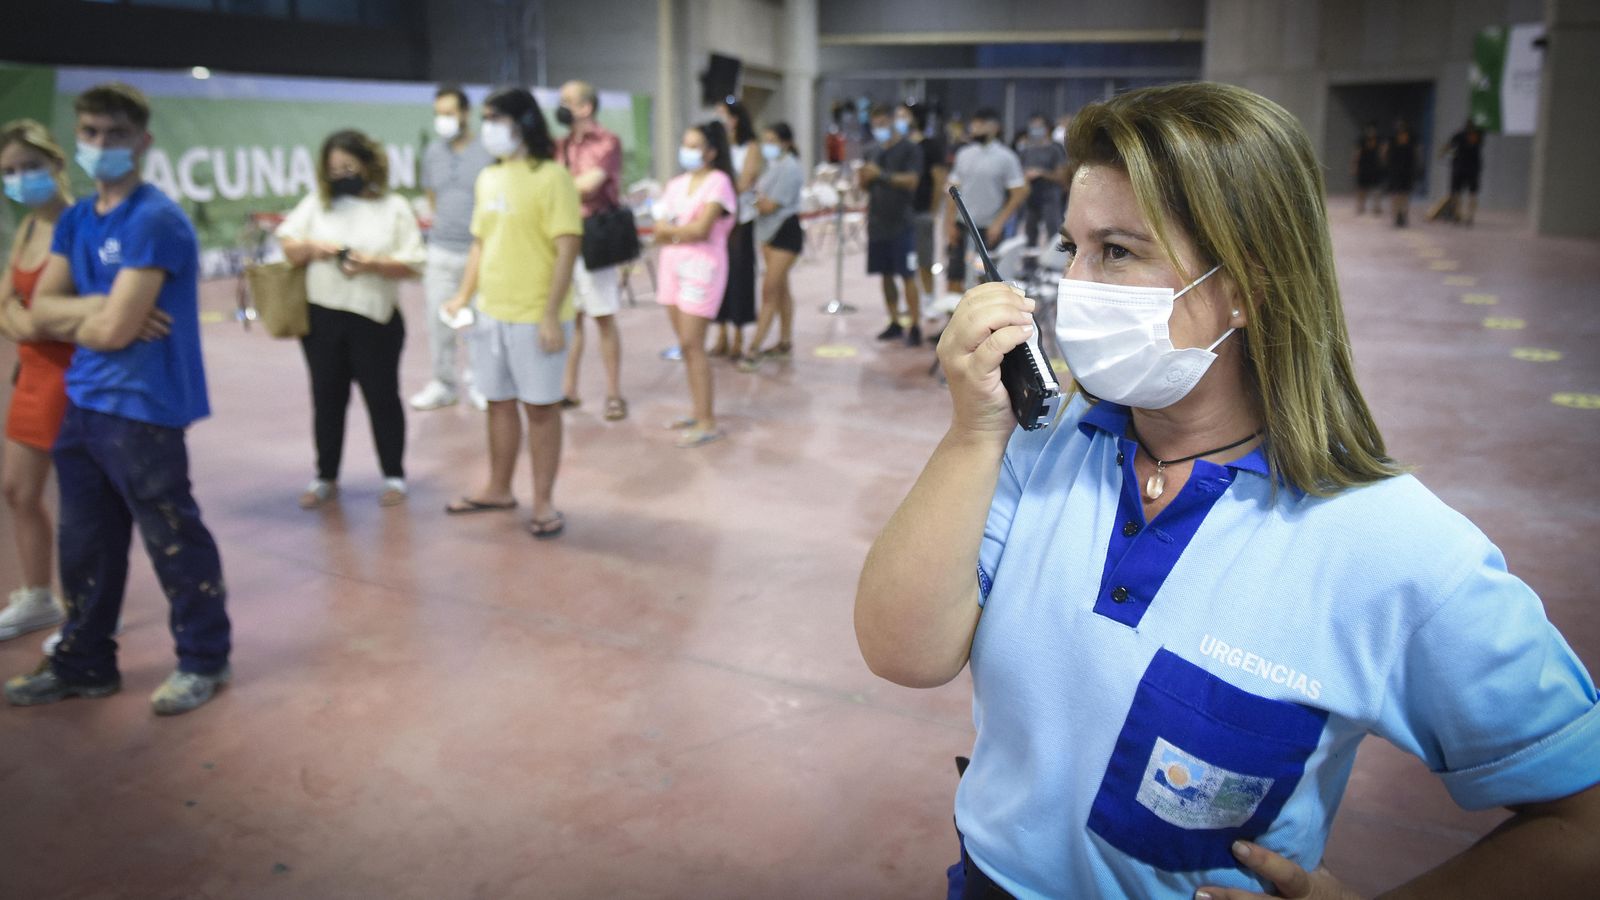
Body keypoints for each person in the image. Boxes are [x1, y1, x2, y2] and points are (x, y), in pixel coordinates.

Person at [855, 82, 1600, 899]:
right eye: (1071, 248)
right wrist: (973, 433)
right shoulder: (1046, 445)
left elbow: (1581, 823)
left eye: (1118, 251)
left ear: (1246, 282)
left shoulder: (1399, 552)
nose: (1076, 285)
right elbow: (903, 651)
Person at [2, 83, 232, 715]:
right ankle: (84, 662)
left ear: (143, 142)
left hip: (145, 407)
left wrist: (85, 315)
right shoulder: (76, 219)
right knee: (85, 545)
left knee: (172, 537)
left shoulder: (154, 219)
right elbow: (45, 308)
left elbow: (105, 331)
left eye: (116, 134)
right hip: (85, 401)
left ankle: (204, 659)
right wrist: (102, 305)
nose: (102, 146)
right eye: (92, 134)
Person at [441, 86, 580, 539]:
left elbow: (566, 247)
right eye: (486, 119)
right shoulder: (490, 177)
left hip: (535, 314)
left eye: (496, 119)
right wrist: (464, 296)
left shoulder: (552, 176)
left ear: (523, 123)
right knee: (498, 404)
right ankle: (499, 488)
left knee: (541, 409)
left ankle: (544, 500)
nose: (489, 129)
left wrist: (549, 314)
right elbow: (481, 242)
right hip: (490, 311)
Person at [277, 129, 425, 510]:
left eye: (348, 166)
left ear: (368, 165)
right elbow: (288, 244)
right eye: (333, 169)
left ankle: (394, 474)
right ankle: (325, 474)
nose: (341, 175)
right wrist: (314, 248)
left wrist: (373, 264)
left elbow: (413, 264)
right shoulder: (318, 204)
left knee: (382, 397)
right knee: (326, 397)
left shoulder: (394, 208)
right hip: (322, 315)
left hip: (374, 318)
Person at [0, 120, 73, 643]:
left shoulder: (77, 225)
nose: (21, 178)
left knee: (84, 502)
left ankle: (94, 605)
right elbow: (8, 302)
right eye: (9, 171)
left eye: (30, 167)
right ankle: (37, 597)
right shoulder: (27, 227)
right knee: (17, 490)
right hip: (31, 370)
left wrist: (24, 319)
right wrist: (25, 320)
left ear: (56, 165)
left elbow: (54, 317)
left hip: (72, 375)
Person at [652, 121, 736, 448]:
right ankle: (698, 409)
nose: (686, 151)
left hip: (703, 267)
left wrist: (671, 233)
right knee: (684, 344)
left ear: (711, 151)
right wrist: (674, 233)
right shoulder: (675, 184)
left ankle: (707, 420)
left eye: (694, 145)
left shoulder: (719, 182)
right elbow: (659, 225)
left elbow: (701, 230)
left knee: (692, 342)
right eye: (684, 143)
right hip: (672, 267)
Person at [412, 85, 493, 412]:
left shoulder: (487, 150)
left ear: (465, 113)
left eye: (449, 113)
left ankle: (482, 382)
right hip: (441, 250)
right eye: (439, 114)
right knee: (438, 319)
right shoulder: (433, 152)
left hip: (480, 249)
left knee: (480, 322)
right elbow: (432, 197)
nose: (443, 120)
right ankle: (443, 384)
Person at [555, 79, 628, 421]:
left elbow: (588, 185)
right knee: (572, 318)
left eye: (567, 101)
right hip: (563, 236)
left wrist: (556, 187)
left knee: (603, 317)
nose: (561, 106)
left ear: (585, 107)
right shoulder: (560, 145)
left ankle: (614, 393)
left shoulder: (607, 142)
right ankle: (569, 389)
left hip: (596, 235)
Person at [739, 122, 805, 371]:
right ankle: (785, 341)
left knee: (769, 290)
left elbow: (769, 205)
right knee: (781, 289)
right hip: (770, 232)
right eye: (765, 140)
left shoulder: (790, 168)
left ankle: (754, 347)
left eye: (772, 141)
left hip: (785, 233)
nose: (767, 146)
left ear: (785, 143)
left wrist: (750, 196)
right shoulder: (774, 166)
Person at [861, 104, 925, 346]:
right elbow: (866, 184)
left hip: (902, 223)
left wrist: (881, 175)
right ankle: (895, 321)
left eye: (883, 125)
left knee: (907, 275)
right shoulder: (872, 151)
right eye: (875, 126)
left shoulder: (910, 149)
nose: (879, 130)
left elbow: (911, 181)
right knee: (885, 275)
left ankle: (915, 324)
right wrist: (864, 178)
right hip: (877, 223)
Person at [943, 108, 1026, 293]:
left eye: (981, 125)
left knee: (987, 281)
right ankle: (957, 318)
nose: (975, 129)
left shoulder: (1006, 157)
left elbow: (1019, 192)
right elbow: (951, 190)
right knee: (954, 276)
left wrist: (999, 223)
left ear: (994, 127)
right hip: (961, 225)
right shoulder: (964, 154)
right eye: (974, 124)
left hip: (988, 228)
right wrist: (948, 223)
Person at [712, 99, 761, 360]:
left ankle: (739, 336)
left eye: (724, 116)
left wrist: (718, 193)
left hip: (741, 221)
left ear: (735, 119)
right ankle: (720, 333)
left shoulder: (749, 148)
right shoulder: (716, 150)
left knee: (739, 276)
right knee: (718, 276)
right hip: (717, 220)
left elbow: (744, 182)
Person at [904, 102, 949, 297]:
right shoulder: (902, 146)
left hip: (922, 210)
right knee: (905, 261)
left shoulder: (931, 146)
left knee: (924, 259)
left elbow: (939, 180)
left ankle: (929, 297)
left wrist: (933, 211)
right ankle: (911, 298)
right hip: (901, 212)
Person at [1017, 112, 1069, 247]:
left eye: (1038, 126)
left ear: (1046, 128)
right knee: (1030, 233)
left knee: (1054, 231)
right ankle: (1029, 264)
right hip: (1031, 198)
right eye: (1033, 127)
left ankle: (1056, 264)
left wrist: (1041, 173)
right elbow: (1019, 172)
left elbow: (1062, 177)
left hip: (1050, 197)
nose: (1035, 130)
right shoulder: (1026, 150)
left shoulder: (1055, 149)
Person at [1441, 120, 1484, 226]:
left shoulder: (1459, 135)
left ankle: (1458, 215)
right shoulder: (1478, 135)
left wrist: (1444, 154)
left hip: (1460, 167)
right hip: (1473, 168)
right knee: (1471, 193)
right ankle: (1469, 217)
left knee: (1457, 193)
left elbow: (1448, 147)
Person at [1384, 119, 1420, 228]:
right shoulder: (1392, 139)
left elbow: (1416, 154)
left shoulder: (1411, 140)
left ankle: (1403, 215)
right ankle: (1397, 215)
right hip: (1395, 170)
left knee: (1405, 194)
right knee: (1396, 194)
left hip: (1407, 171)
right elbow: (1385, 152)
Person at [1351, 121, 1384, 216]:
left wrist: (1382, 164)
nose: (1371, 132)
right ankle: (1360, 206)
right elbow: (1357, 153)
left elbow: (1382, 152)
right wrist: (1354, 166)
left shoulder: (1379, 140)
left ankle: (1377, 207)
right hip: (1364, 166)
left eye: (1373, 129)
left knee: (1376, 188)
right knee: (1362, 188)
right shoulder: (1362, 140)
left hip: (1375, 167)